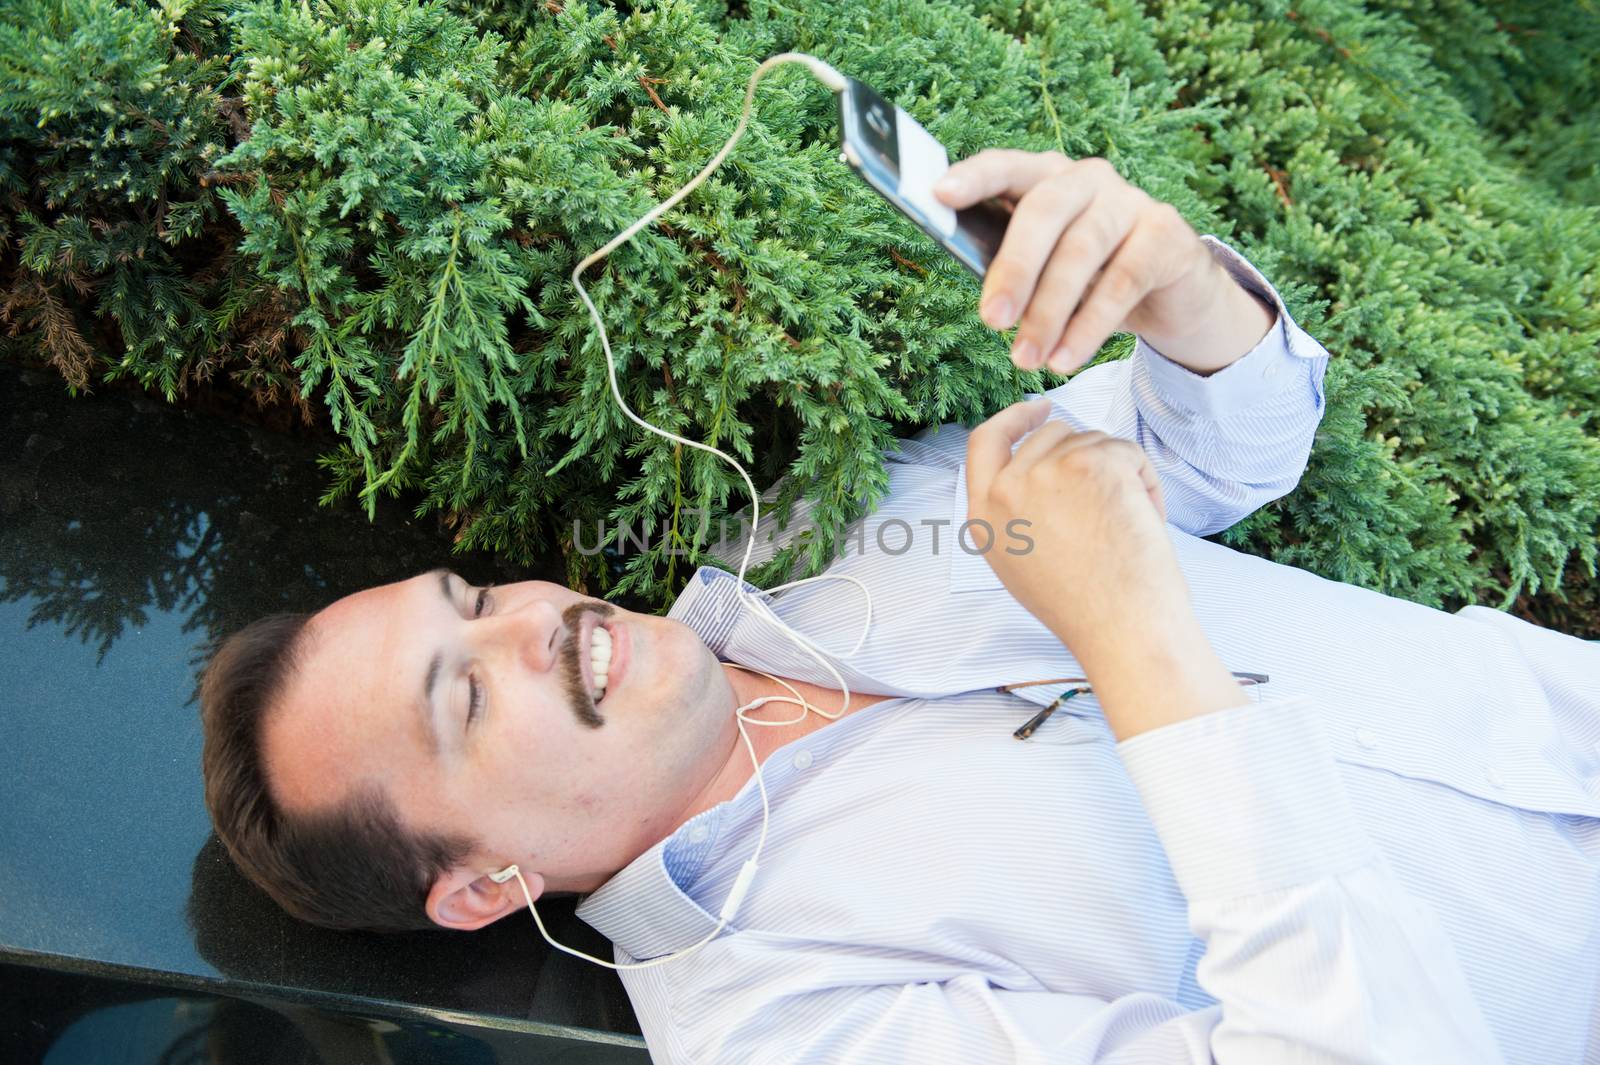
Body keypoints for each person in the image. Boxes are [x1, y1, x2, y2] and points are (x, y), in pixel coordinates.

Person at [197, 149, 1599, 1064]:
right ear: (484, 884)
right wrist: (1133, 640)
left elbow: (1222, 451)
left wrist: (1177, 288)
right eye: (468, 692)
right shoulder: (783, 1027)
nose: (534, 622)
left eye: (475, 597)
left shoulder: (806, 528)